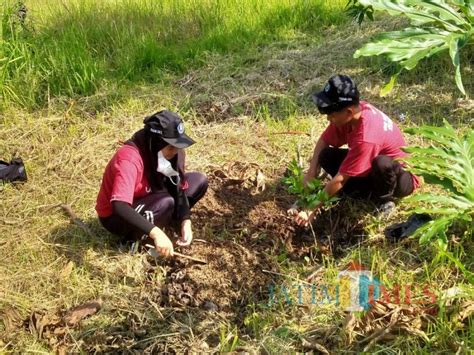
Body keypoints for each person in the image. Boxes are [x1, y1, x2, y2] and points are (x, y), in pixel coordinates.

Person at [294, 74, 420, 227]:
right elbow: (324, 141)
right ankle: (361, 192)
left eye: (332, 115)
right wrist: (311, 172)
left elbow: (341, 179)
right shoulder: (354, 114)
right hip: (372, 169)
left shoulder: (367, 136)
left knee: (382, 163)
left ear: (348, 112)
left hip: (400, 178)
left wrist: (311, 209)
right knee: (326, 156)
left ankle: (385, 200)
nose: (328, 119)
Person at [96, 110, 208, 257]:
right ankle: (135, 240)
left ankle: (166, 221)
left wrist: (185, 220)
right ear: (155, 143)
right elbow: (120, 206)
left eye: (178, 146)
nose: (175, 151)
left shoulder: (171, 153)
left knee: (199, 181)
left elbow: (177, 185)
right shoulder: (129, 159)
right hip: (117, 217)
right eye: (171, 147)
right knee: (166, 202)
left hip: (152, 197)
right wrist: (156, 234)